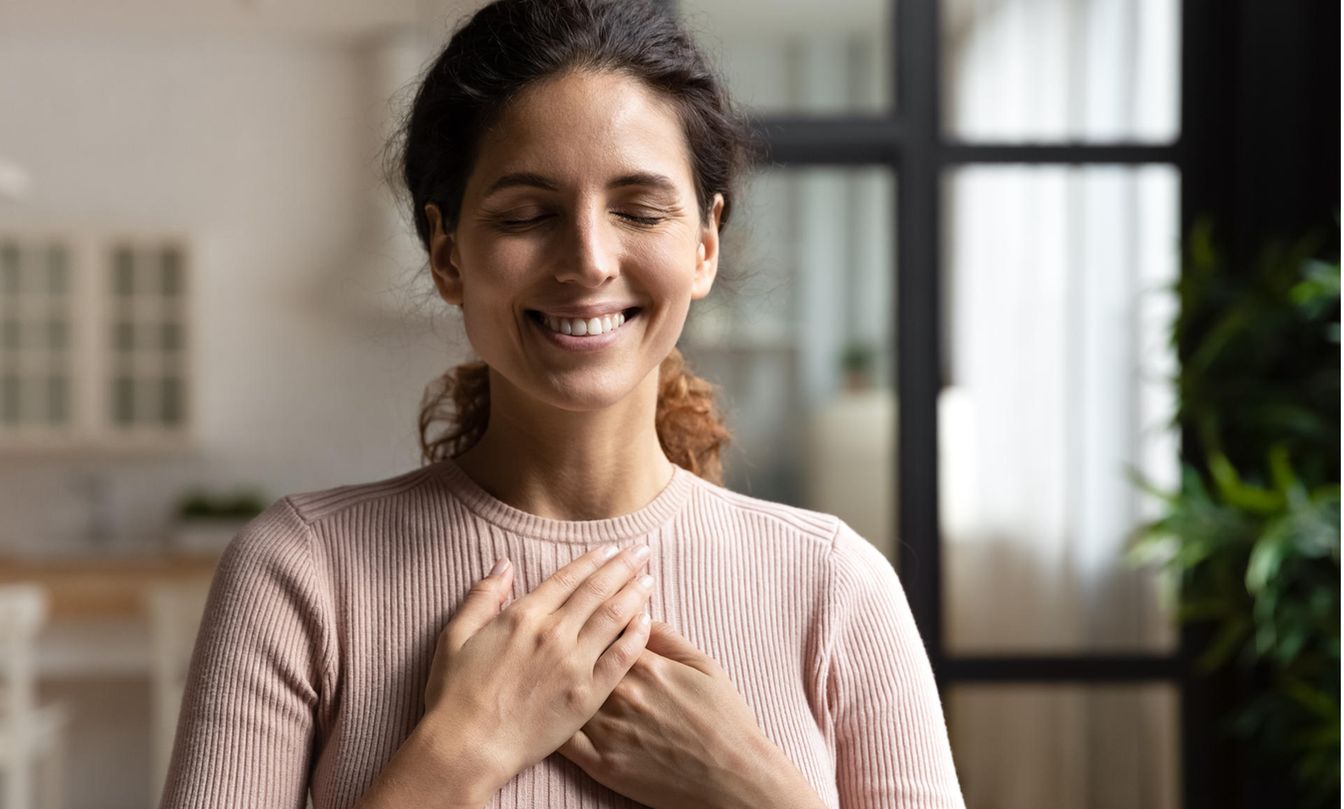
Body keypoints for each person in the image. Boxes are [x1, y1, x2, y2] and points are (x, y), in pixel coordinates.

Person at [160, 1, 967, 807]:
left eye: (639, 210)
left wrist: (750, 789)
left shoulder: (834, 586)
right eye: (526, 214)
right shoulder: (301, 575)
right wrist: (458, 752)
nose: (587, 257)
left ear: (705, 245)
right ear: (448, 254)